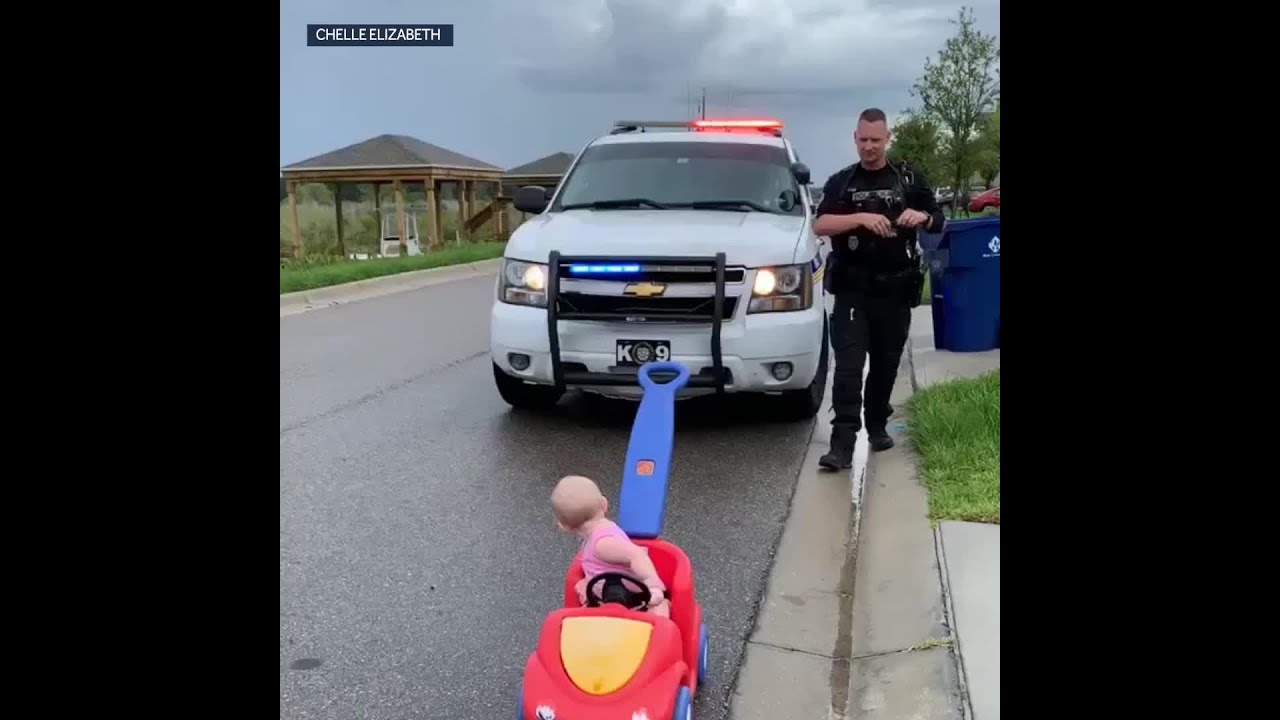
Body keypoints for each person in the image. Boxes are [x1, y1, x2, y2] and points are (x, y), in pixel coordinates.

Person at [812, 108, 945, 470]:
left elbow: (937, 219)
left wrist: (922, 217)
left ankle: (877, 424)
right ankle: (841, 444)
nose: (869, 147)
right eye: (863, 140)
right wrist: (859, 218)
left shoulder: (908, 178)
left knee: (886, 367)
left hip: (896, 290)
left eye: (876, 140)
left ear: (887, 138)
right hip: (853, 290)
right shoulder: (842, 182)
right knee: (849, 369)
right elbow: (820, 224)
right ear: (855, 139)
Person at [551, 474, 670, 617]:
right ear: (604, 504)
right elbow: (602, 568)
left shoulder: (603, 544)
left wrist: (652, 584)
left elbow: (637, 554)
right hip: (610, 601)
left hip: (640, 599)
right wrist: (588, 581)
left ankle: (661, 626)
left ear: (564, 527)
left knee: (659, 611)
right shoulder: (593, 539)